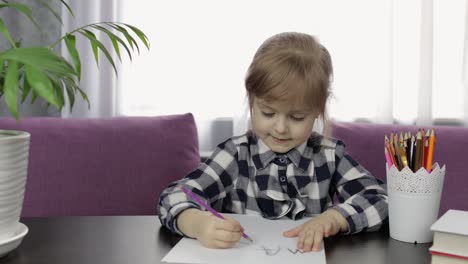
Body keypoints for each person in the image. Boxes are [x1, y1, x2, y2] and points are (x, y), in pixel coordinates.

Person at [158, 32, 388, 252]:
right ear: (251, 101)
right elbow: (175, 195)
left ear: (318, 109)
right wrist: (197, 223)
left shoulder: (328, 155)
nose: (280, 128)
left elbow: (381, 199)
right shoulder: (236, 154)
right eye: (268, 113)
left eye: (297, 117)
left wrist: (334, 218)